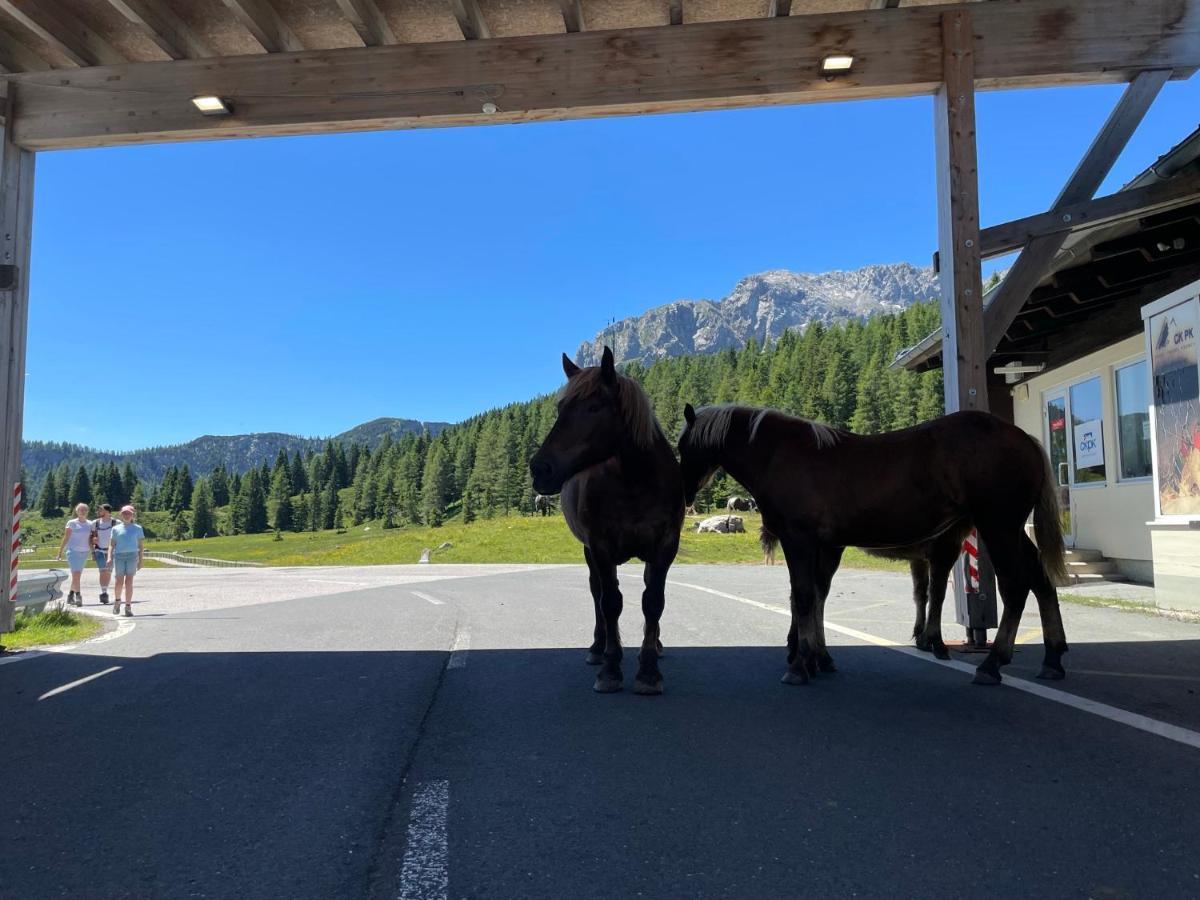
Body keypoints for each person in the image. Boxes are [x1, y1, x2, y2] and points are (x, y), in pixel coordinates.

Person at [108, 505, 145, 617]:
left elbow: (141, 546)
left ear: (132, 515)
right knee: (119, 581)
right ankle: (118, 601)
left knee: (129, 581)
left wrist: (141, 560)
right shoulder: (115, 529)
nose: (126, 515)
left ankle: (128, 606)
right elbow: (111, 545)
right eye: (124, 513)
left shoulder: (137, 528)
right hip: (119, 556)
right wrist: (109, 557)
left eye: (129, 513)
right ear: (121, 514)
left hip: (132, 556)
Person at [54, 502, 93, 606]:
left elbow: (91, 539)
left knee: (77, 576)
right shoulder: (71, 523)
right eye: (80, 510)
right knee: (76, 574)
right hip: (73, 551)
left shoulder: (90, 524)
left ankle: (70, 596)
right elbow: (66, 538)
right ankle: (78, 596)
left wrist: (93, 551)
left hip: (84, 552)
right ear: (77, 511)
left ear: (87, 512)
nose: (83, 512)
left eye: (85, 510)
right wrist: (60, 552)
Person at [91, 503, 115, 604]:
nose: (99, 512)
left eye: (101, 510)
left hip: (112, 551)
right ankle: (104, 593)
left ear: (107, 511)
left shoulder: (115, 522)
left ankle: (105, 590)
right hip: (99, 550)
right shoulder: (95, 523)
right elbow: (91, 537)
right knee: (102, 571)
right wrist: (93, 540)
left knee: (108, 571)